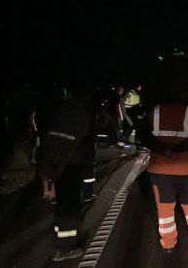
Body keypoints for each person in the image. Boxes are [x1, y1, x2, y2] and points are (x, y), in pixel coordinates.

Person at [37, 89, 110, 262]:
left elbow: (49, 142)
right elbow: (75, 143)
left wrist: (47, 177)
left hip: (54, 164)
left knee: (62, 205)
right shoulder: (80, 116)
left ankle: (60, 241)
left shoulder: (59, 112)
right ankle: (63, 248)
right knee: (69, 208)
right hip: (69, 166)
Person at [137, 89, 188, 253]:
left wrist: (163, 150)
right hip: (185, 168)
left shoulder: (153, 112)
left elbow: (143, 136)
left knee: (164, 207)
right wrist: (179, 149)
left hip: (159, 169)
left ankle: (169, 244)